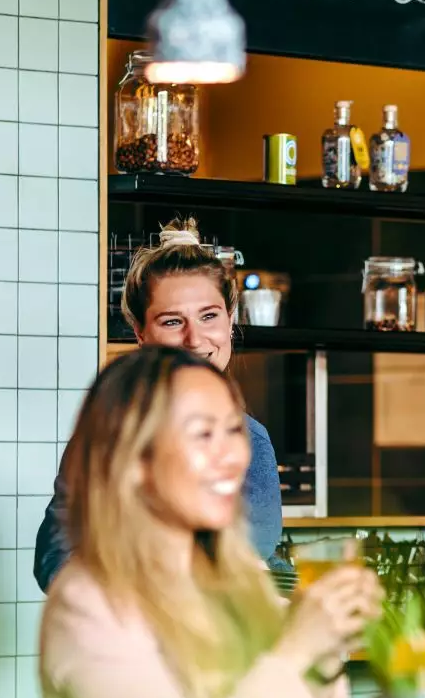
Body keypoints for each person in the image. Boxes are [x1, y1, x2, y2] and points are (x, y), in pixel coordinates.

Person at [37, 346, 381, 698]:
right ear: (134, 460)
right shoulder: (90, 600)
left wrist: (324, 656)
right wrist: (294, 651)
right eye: (203, 434)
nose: (233, 456)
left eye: (233, 430)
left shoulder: (241, 578)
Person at [35, 221, 290, 590]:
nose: (194, 338)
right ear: (140, 333)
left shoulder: (250, 440)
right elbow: (56, 557)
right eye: (173, 321)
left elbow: (248, 556)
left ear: (230, 320)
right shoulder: (106, 433)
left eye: (209, 316)